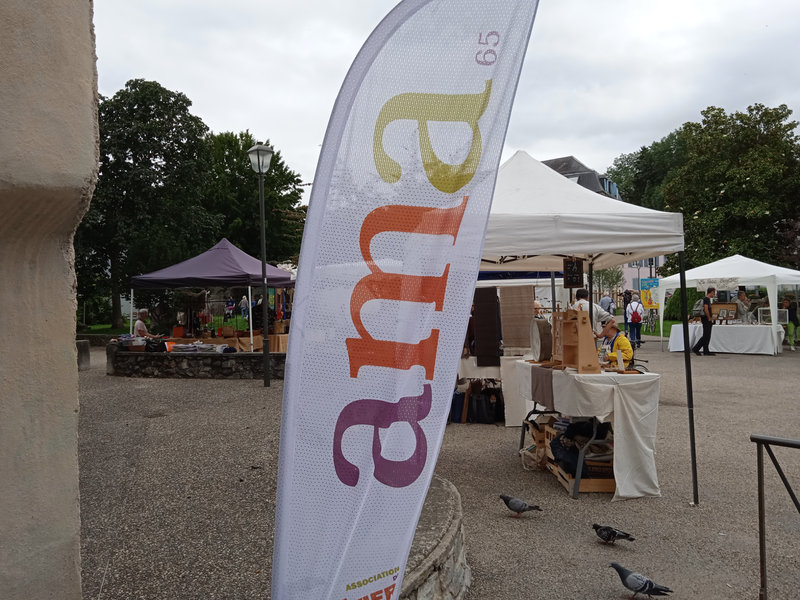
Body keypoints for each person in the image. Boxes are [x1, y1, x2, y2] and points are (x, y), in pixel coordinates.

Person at [692, 287, 717, 356]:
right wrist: (709, 318)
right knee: (706, 335)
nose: (714, 294)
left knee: (707, 335)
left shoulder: (707, 299)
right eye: (714, 292)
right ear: (711, 292)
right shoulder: (706, 299)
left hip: (706, 319)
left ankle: (706, 350)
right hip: (706, 319)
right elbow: (706, 309)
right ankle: (696, 348)